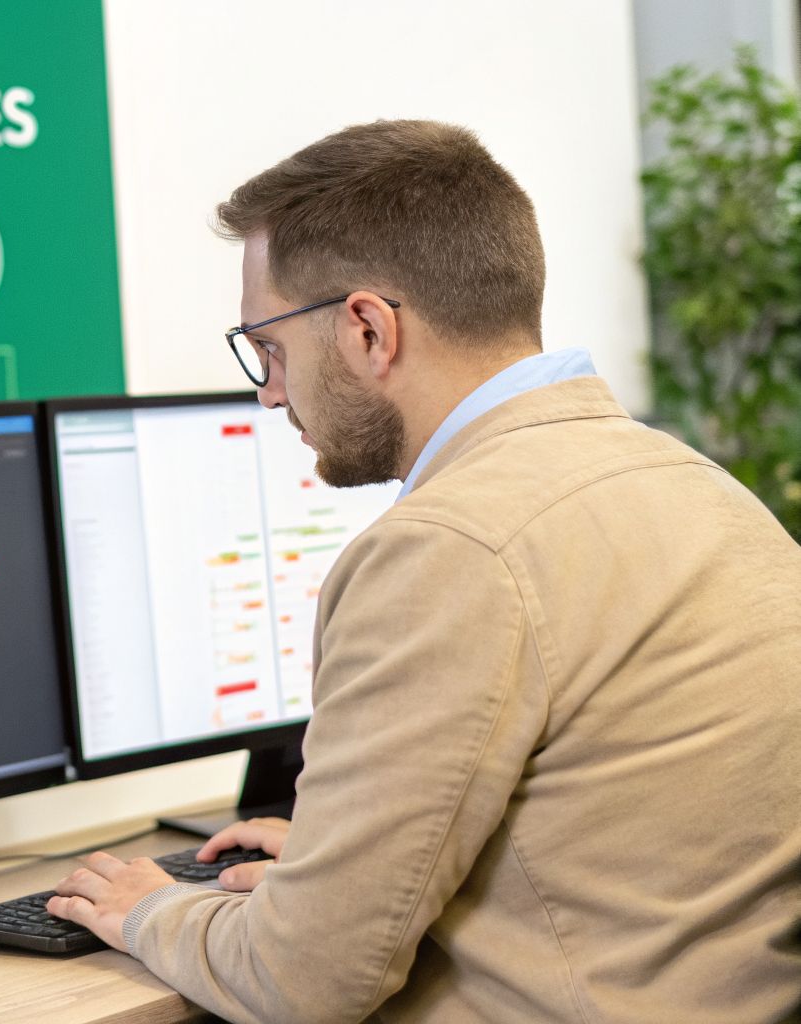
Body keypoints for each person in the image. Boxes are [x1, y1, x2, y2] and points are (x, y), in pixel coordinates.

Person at [46, 120, 801, 1022]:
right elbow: (630, 835)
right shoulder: (694, 484)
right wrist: (342, 866)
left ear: (367, 329)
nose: (269, 392)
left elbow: (304, 982)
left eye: (272, 349)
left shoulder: (447, 547)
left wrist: (153, 909)